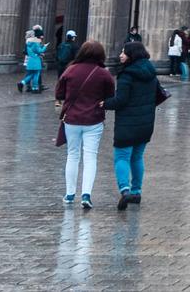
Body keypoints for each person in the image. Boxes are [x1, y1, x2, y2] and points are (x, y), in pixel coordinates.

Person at [55, 40, 116, 210]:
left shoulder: (70, 70)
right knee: (90, 158)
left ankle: (69, 194)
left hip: (72, 119)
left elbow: (59, 93)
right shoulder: (103, 73)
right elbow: (110, 96)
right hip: (93, 119)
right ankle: (86, 194)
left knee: (72, 155)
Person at [104, 40, 163, 210]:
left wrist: (104, 103)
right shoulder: (151, 72)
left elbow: (120, 100)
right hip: (145, 123)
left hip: (127, 123)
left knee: (122, 157)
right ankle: (136, 192)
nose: (121, 55)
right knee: (137, 157)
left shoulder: (127, 75)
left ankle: (124, 191)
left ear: (132, 55)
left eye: (124, 52)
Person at [19, 26, 47, 93]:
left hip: (30, 60)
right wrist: (45, 47)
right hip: (36, 60)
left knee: (31, 74)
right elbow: (39, 51)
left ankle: (22, 83)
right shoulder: (36, 42)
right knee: (36, 74)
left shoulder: (29, 42)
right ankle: (35, 88)